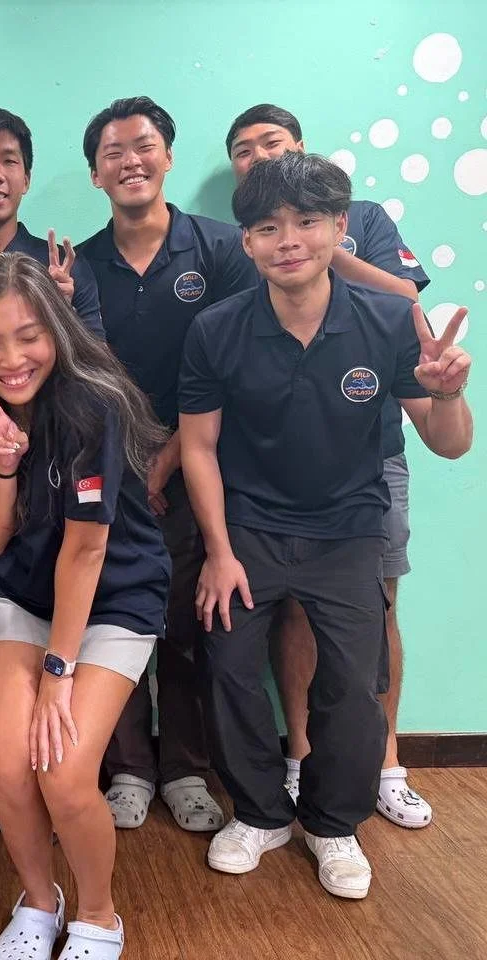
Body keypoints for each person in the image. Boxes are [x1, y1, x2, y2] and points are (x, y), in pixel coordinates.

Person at [179, 151, 472, 899]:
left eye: (308, 222)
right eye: (269, 226)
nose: (289, 240)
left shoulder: (384, 321)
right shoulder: (216, 329)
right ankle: (260, 815)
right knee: (231, 669)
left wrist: (448, 395)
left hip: (348, 529)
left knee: (351, 685)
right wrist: (217, 550)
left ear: (339, 229)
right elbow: (200, 447)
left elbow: (449, 442)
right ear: (246, 241)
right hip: (249, 526)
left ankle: (332, 824)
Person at [0, 252, 169, 960]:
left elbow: (86, 552)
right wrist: (4, 467)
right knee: (9, 768)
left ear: (58, 330)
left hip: (115, 597)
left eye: (29, 334)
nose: (14, 358)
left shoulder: (89, 402)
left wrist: (57, 675)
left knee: (65, 775)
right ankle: (40, 902)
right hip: (25, 594)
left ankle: (99, 916)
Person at [226, 103, 434, 827]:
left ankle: (381, 764)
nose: (258, 156)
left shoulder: (361, 219)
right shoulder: (242, 247)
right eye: (244, 151)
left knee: (371, 618)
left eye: (271, 145)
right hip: (268, 477)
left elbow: (407, 304)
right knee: (283, 617)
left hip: (369, 461)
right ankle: (301, 761)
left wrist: (317, 242)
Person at [77, 96, 257, 832]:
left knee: (186, 624)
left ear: (168, 156)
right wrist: (129, 466)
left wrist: (169, 461)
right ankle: (128, 767)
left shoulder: (221, 250)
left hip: (200, 469)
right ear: (96, 174)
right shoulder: (81, 263)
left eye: (143, 145)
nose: (131, 160)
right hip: (109, 470)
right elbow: (83, 374)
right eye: (113, 151)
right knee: (113, 619)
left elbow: (228, 371)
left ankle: (185, 767)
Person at [0, 105, 105, 841]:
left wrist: (62, 317)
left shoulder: (60, 267)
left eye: (8, 160)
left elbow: (99, 373)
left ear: (27, 178)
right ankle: (1, 774)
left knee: (61, 603)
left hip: (64, 493)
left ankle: (59, 773)